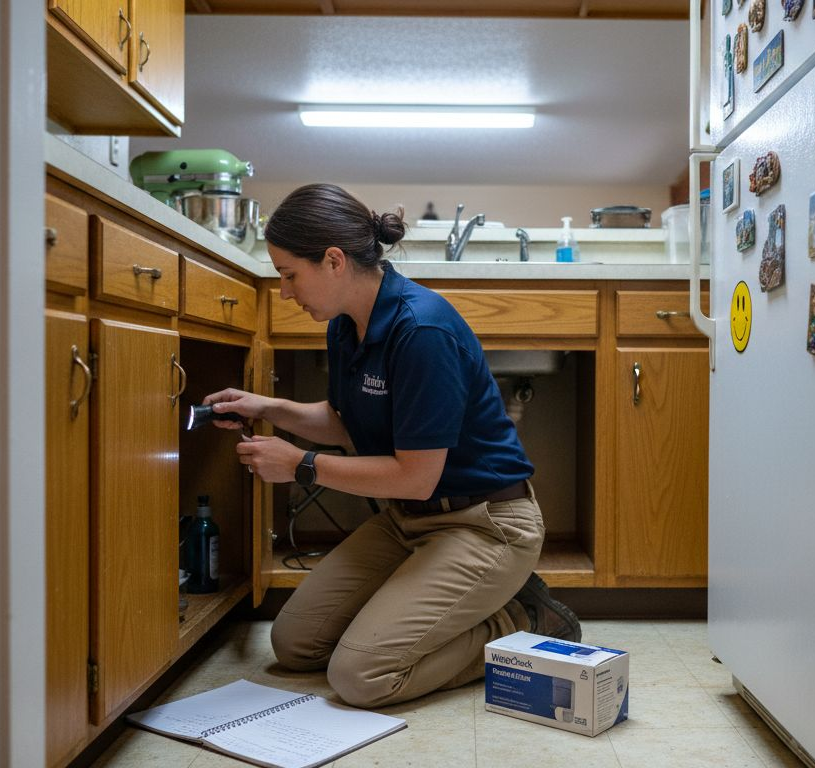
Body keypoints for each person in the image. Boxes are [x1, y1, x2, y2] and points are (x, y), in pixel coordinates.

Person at [201, 183, 580, 709]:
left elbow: (416, 475)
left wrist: (302, 466)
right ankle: (424, 613)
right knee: (294, 645)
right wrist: (266, 408)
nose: (285, 291)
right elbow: (345, 420)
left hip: (485, 523)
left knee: (362, 676)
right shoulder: (344, 325)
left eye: (289, 274)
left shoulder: (421, 329)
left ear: (333, 260)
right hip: (408, 522)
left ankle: (524, 616)